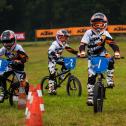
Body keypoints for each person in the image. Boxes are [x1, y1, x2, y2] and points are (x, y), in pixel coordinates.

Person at [78, 12, 120, 105]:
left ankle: (109, 79)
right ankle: (90, 96)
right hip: (91, 55)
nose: (98, 27)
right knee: (91, 75)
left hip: (103, 53)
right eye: (96, 24)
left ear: (104, 24)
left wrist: (116, 52)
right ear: (92, 24)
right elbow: (82, 44)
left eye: (100, 24)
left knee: (111, 60)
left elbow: (113, 44)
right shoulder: (88, 32)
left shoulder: (105, 33)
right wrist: (82, 52)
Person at [0, 30, 28, 101]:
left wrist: (18, 61)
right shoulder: (4, 49)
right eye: (5, 42)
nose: (7, 44)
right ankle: (4, 92)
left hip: (19, 67)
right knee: (1, 76)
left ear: (14, 40)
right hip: (9, 65)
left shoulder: (18, 48)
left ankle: (23, 95)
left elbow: (26, 58)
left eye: (9, 42)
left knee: (22, 83)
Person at [48, 29, 78, 95]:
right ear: (59, 37)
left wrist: (77, 53)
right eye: (65, 37)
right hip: (52, 59)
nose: (66, 38)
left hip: (58, 58)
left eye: (67, 37)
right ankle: (51, 89)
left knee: (67, 63)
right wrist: (54, 55)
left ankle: (61, 76)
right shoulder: (55, 44)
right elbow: (50, 51)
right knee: (52, 72)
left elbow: (69, 49)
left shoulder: (64, 43)